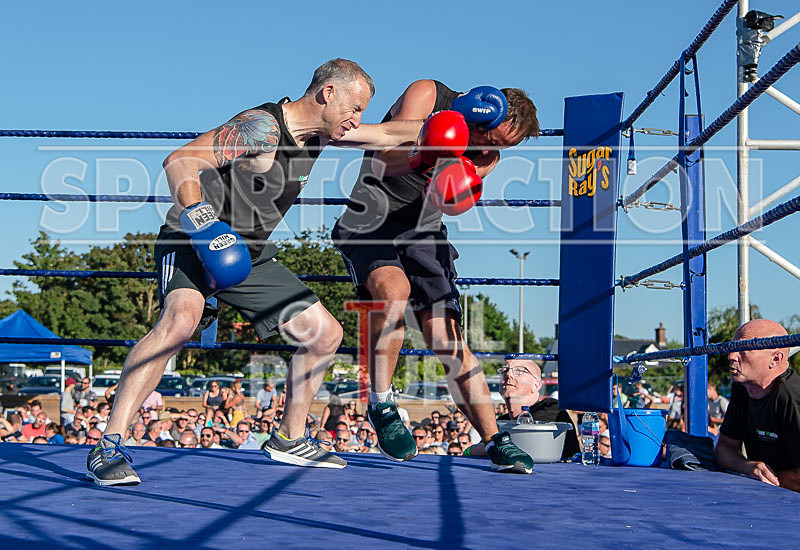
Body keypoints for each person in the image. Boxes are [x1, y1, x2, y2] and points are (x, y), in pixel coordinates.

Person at [87, 59, 424, 485]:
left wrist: (458, 127)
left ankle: (289, 437)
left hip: (251, 255)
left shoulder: (324, 131)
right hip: (194, 239)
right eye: (355, 107)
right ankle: (109, 446)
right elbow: (180, 160)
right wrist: (205, 224)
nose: (358, 119)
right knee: (179, 323)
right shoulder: (261, 129)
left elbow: (390, 132)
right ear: (328, 94)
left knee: (326, 334)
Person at [332, 81, 539, 474]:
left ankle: (494, 439)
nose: (484, 144)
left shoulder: (486, 154)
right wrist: (425, 153)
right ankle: (382, 403)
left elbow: (451, 201)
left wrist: (452, 176)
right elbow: (379, 160)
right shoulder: (428, 94)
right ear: (485, 113)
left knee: (447, 339)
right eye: (486, 133)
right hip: (370, 218)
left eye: (497, 144)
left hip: (423, 232)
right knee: (394, 293)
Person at [714, 319, 800, 492]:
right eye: (732, 348)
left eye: (744, 349)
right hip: (768, 499)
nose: (731, 356)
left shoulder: (791, 397)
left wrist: (766, 479)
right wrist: (749, 467)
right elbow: (724, 449)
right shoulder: (742, 388)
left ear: (776, 359)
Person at [465, 359, 579, 460]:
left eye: (519, 371)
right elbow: (483, 448)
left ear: (536, 385)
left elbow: (524, 446)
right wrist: (469, 450)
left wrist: (483, 448)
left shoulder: (550, 409)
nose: (508, 374)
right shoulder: (503, 421)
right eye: (504, 370)